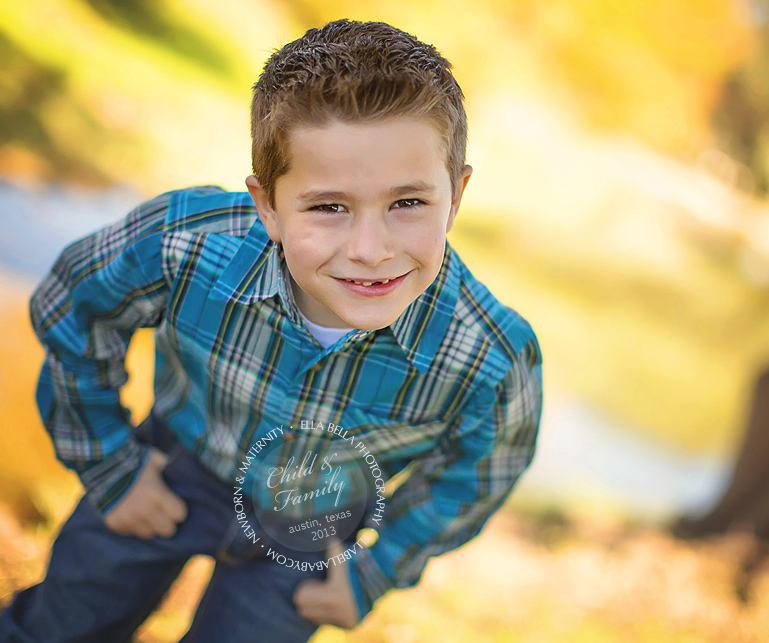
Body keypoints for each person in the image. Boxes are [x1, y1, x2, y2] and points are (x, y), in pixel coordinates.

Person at [0, 18, 543, 643]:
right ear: (268, 206)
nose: (370, 249)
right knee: (62, 627)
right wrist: (109, 463)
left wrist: (376, 570)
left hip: (312, 529)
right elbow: (76, 305)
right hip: (176, 459)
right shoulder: (191, 244)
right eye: (328, 207)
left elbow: (483, 468)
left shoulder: (490, 357)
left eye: (408, 203)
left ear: (456, 196)